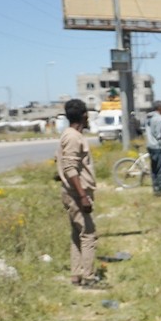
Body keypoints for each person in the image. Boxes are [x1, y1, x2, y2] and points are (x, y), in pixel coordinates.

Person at [55, 99, 100, 287]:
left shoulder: (69, 134)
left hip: (73, 191)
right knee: (89, 234)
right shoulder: (73, 137)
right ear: (84, 116)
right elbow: (70, 168)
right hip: (76, 193)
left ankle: (77, 273)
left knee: (77, 234)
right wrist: (82, 196)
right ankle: (88, 277)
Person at [145, 100, 161, 195]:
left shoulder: (148, 117)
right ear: (159, 107)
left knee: (154, 169)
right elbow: (158, 134)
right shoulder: (158, 118)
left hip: (150, 145)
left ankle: (155, 188)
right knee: (160, 168)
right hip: (158, 146)